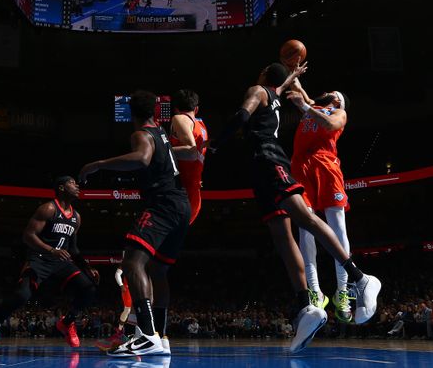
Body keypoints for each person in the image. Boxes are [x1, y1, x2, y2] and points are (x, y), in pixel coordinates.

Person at [210, 63, 380, 354]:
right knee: (283, 235)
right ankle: (307, 305)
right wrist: (294, 75)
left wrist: (215, 144)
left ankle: (358, 278)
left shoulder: (261, 92)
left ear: (263, 75)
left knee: (308, 220)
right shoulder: (277, 95)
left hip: (272, 158)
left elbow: (242, 114)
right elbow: (285, 87)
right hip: (268, 165)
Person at [80, 90, 191, 356]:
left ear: (132, 113)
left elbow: (141, 158)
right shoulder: (161, 132)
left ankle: (148, 336)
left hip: (163, 203)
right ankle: (156, 336)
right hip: (181, 204)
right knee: (157, 270)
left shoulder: (141, 134)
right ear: (155, 111)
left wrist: (98, 164)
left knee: (132, 262)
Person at [0, 177, 99, 352]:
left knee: (89, 288)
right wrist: (51, 250)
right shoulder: (48, 209)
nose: (77, 186)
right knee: (21, 296)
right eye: (72, 183)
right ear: (61, 188)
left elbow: (73, 248)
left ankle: (67, 322)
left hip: (62, 262)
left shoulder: (76, 217)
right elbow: (28, 236)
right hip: (40, 259)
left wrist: (88, 269)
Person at [286, 83, 353, 322]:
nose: (329, 90)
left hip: (326, 165)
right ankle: (316, 291)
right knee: (305, 229)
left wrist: (304, 105)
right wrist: (292, 70)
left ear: (338, 101)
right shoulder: (314, 106)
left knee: (338, 228)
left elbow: (331, 125)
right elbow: (299, 89)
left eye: (334, 92)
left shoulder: (338, 113)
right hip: (301, 165)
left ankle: (342, 290)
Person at [169, 89, 209, 225]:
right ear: (196, 109)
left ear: (176, 109)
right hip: (193, 190)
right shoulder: (201, 126)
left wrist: (161, 151)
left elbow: (191, 152)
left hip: (181, 190)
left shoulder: (179, 118)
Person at [96, 264, 134, 350]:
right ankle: (120, 332)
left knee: (136, 310)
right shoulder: (126, 262)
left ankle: (138, 336)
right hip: (128, 288)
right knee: (128, 310)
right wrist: (121, 285)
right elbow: (117, 274)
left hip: (138, 289)